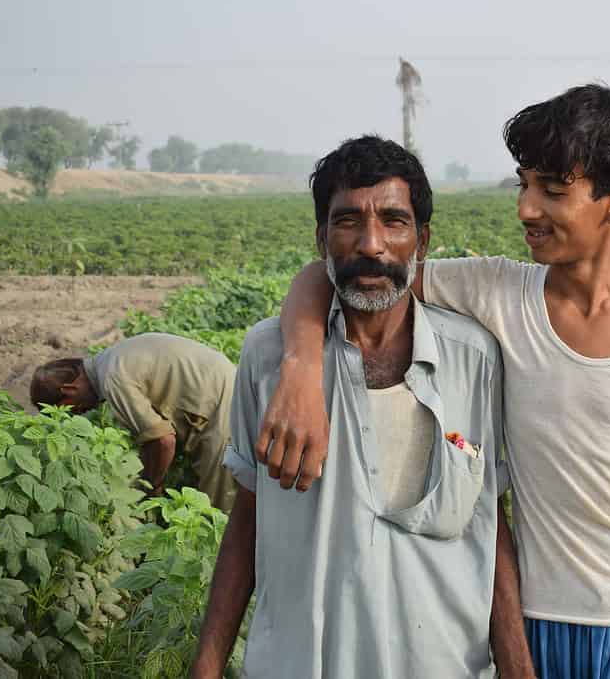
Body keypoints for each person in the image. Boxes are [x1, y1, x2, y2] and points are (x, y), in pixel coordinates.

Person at [256, 86, 610, 678]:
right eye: (524, 185)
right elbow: (343, 269)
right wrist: (302, 368)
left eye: (553, 192)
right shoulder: (497, 295)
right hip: (545, 622)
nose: (527, 209)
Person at [190, 136, 530, 678]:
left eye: (393, 221)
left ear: (422, 239)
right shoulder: (269, 357)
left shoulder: (474, 359)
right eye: (348, 221)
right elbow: (249, 512)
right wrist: (206, 667)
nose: (371, 244)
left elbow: (488, 519)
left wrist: (519, 668)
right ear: (322, 236)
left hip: (444, 663)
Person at [29, 333, 237, 511]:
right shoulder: (111, 358)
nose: (78, 414)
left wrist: (149, 488)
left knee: (217, 512)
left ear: (69, 390)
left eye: (69, 409)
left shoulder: (112, 379)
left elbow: (163, 441)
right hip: (224, 386)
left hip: (221, 407)